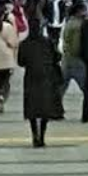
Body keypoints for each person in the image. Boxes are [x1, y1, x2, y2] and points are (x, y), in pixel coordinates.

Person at [17, 19, 64, 147]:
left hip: (31, 77)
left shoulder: (24, 44)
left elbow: (20, 62)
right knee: (44, 109)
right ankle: (42, 136)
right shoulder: (47, 42)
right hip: (46, 77)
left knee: (32, 109)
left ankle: (34, 135)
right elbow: (57, 57)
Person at [61, 2, 88, 118]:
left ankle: (55, 108)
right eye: (84, 10)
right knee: (86, 86)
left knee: (61, 86)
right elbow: (76, 45)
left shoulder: (70, 22)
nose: (87, 12)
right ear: (79, 11)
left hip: (67, 58)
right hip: (76, 60)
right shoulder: (78, 26)